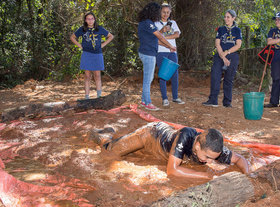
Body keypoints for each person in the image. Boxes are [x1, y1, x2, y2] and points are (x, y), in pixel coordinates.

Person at [89, 122, 249, 180]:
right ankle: (102, 135)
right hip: (151, 135)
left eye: (212, 158)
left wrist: (249, 175)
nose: (209, 161)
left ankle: (114, 134)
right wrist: (207, 175)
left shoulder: (214, 146)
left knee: (136, 154)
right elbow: (172, 171)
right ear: (198, 145)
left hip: (162, 150)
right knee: (111, 151)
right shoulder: (187, 135)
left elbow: (240, 159)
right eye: (207, 157)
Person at [138, 2, 177, 111]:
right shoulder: (147, 23)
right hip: (148, 54)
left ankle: (143, 100)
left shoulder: (146, 23)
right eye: (158, 12)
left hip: (147, 52)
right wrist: (170, 45)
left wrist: (169, 47)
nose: (159, 14)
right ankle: (148, 103)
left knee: (148, 78)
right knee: (148, 79)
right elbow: (159, 36)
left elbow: (156, 41)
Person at [202, 10, 242, 108]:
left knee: (229, 79)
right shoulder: (221, 29)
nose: (226, 19)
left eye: (228, 17)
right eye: (225, 17)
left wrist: (227, 52)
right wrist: (223, 57)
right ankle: (213, 100)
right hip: (220, 55)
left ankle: (227, 102)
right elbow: (217, 43)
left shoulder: (237, 30)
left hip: (232, 55)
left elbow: (238, 45)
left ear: (233, 18)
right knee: (215, 76)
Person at [70, 12, 114, 99]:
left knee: (97, 75)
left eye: (92, 19)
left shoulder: (99, 29)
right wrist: (80, 45)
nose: (90, 21)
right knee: (87, 76)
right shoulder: (82, 29)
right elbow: (72, 37)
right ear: (85, 20)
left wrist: (103, 45)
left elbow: (111, 36)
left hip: (97, 54)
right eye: (88, 19)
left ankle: (99, 96)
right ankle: (87, 97)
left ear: (94, 19)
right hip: (87, 54)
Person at [155, 3, 185, 107]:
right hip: (161, 51)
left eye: (168, 12)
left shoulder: (173, 22)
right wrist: (162, 31)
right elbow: (155, 37)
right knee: (163, 74)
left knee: (174, 73)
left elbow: (177, 34)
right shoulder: (156, 23)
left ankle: (175, 97)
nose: (166, 14)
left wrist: (164, 38)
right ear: (160, 12)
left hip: (173, 51)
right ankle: (164, 98)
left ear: (170, 12)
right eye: (164, 12)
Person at [264, 12, 280, 108]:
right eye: (276, 19)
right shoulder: (273, 31)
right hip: (277, 55)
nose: (276, 21)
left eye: (279, 19)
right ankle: (274, 101)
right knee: (276, 78)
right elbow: (269, 42)